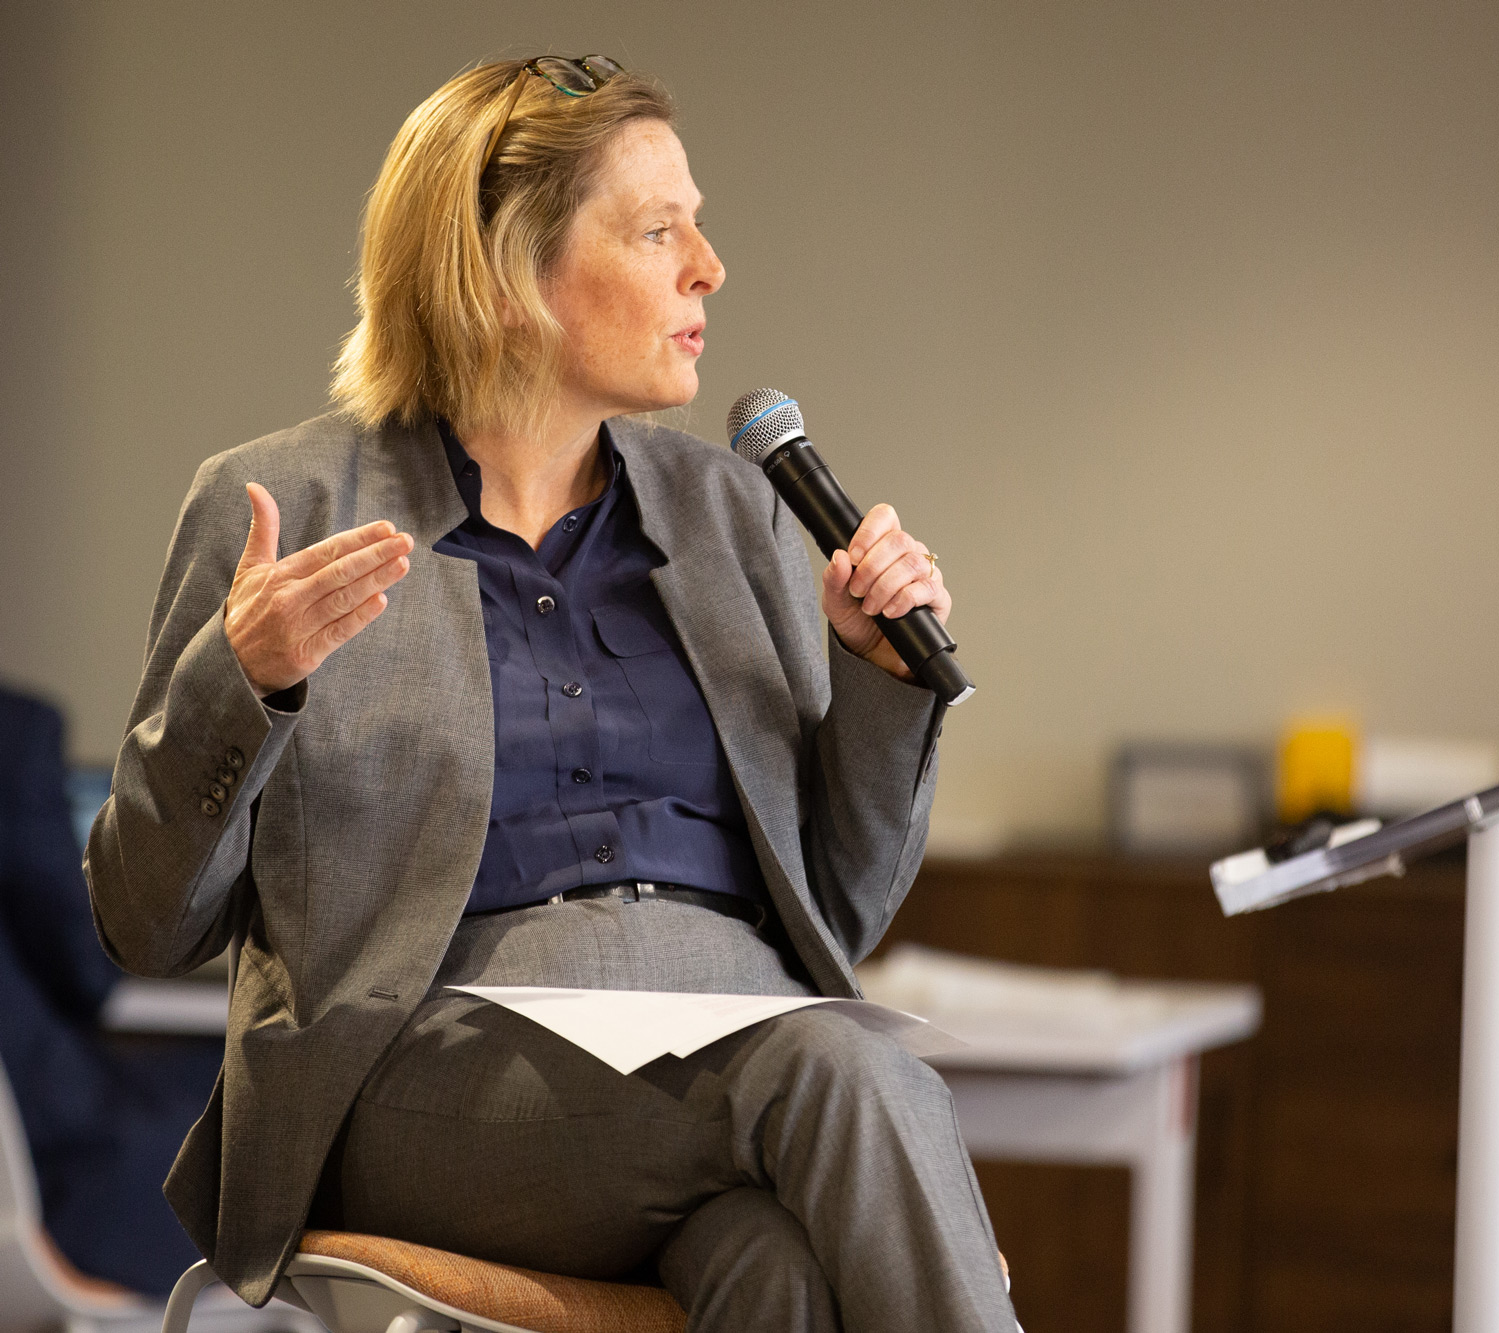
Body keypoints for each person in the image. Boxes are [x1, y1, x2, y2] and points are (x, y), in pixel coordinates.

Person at [85, 55, 1015, 1331]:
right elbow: (147, 924)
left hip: (739, 1044)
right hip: (433, 1069)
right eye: (655, 230)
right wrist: (239, 684)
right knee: (850, 1070)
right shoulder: (286, 508)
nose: (707, 265)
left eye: (696, 221)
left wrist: (873, 677)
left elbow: (840, 909)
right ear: (506, 271)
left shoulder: (731, 513)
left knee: (773, 1273)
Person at [0, 687, 223, 1296]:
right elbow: (84, 970)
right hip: (53, 1167)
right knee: (259, 1106)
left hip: (36, 1130)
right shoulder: (14, 733)